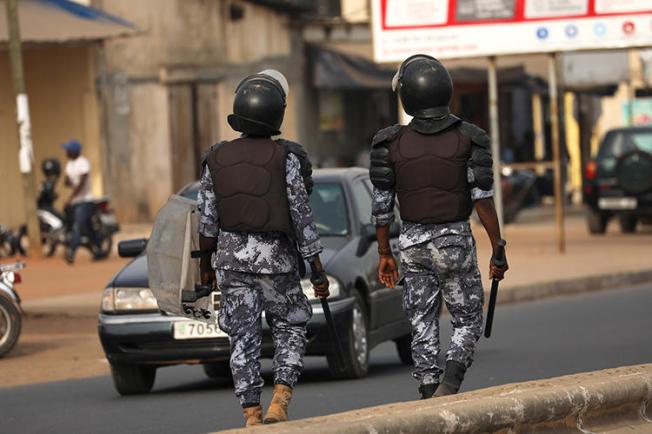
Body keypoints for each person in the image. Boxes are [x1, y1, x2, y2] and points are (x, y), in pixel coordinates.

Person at [369, 54, 509, 399]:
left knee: (421, 321)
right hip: (454, 243)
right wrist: (498, 247)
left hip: (412, 246)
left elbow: (382, 208)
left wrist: (384, 253)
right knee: (468, 319)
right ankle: (450, 382)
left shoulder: (389, 143)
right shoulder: (470, 138)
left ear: (407, 95)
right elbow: (482, 200)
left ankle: (428, 390)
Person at [197, 70, 329, 427]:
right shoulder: (285, 158)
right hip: (278, 263)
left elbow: (206, 223)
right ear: (278, 114)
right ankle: (280, 399)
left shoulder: (215, 159)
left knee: (242, 336)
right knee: (289, 327)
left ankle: (250, 413)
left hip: (230, 264)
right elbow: (302, 218)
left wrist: (205, 267)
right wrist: (316, 268)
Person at [62, 140, 99, 264]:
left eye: (68, 149)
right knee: (87, 227)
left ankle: (71, 251)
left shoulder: (83, 163)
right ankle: (98, 248)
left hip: (86, 201)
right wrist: (67, 181)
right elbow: (68, 182)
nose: (66, 152)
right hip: (76, 201)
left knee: (77, 225)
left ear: (74, 151)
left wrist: (71, 197)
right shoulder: (69, 164)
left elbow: (82, 183)